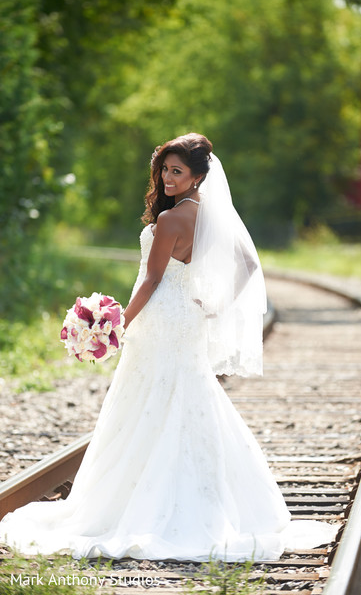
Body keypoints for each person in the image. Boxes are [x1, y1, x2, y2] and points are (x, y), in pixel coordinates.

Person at [0, 133, 337, 561]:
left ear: (198, 176)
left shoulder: (171, 220)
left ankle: (142, 505)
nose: (167, 177)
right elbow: (249, 265)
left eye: (178, 171)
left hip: (161, 320)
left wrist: (117, 323)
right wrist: (213, 306)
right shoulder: (210, 216)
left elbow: (152, 279)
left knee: (146, 402)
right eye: (164, 168)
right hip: (187, 320)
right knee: (186, 398)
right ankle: (202, 499)